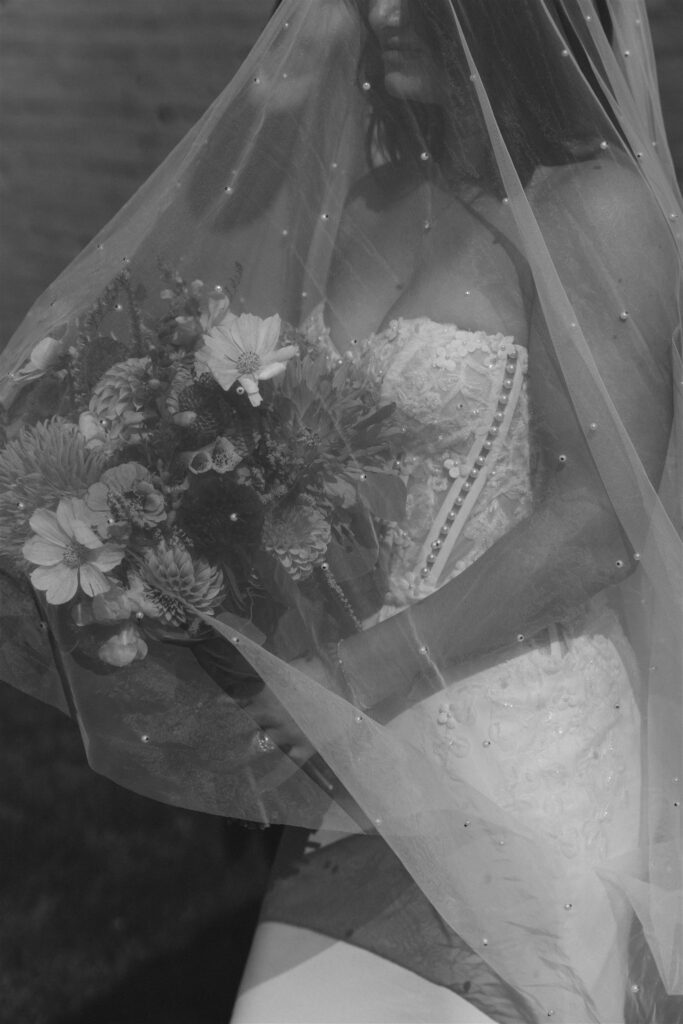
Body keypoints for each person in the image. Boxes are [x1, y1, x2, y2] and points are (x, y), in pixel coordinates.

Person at [0, 1, 680, 1022]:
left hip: (515, 738)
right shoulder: (382, 195)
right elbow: (266, 431)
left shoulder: (595, 207)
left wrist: (355, 672)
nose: (379, 12)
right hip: (353, 739)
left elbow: (595, 523)